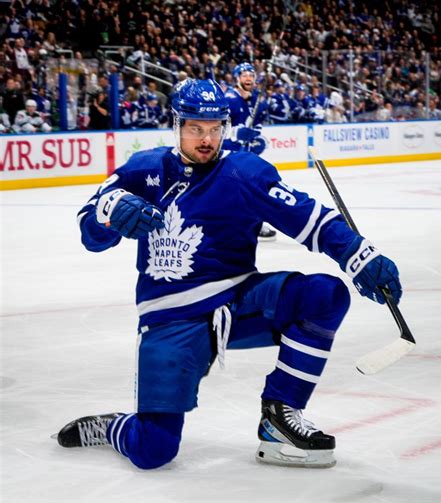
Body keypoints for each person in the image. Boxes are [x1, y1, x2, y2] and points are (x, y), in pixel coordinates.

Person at [56, 78, 402, 470]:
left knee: (323, 295)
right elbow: (89, 233)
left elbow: (309, 217)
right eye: (196, 129)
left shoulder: (242, 172)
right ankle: (114, 428)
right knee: (153, 450)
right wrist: (108, 214)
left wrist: (359, 253)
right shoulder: (143, 170)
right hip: (170, 318)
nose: (206, 139)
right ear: (177, 125)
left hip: (237, 301)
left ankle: (279, 418)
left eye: (215, 129)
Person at [224, 62, 276, 241]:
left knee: (254, 186)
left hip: (244, 156)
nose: (248, 78)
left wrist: (259, 142)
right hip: (225, 155)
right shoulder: (228, 99)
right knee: (230, 191)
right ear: (237, 78)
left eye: (251, 75)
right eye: (244, 75)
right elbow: (214, 127)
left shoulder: (259, 103)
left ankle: (255, 223)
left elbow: (259, 132)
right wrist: (235, 133)